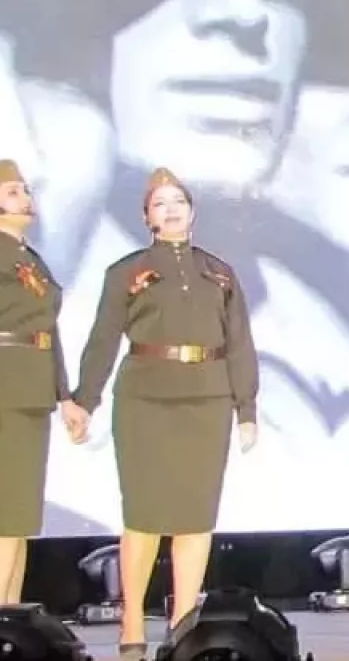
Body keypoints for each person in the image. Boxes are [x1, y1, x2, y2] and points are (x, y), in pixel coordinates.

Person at [74, 168, 260, 658]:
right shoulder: (126, 272)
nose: (171, 209)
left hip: (208, 398)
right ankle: (132, 617)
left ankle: (183, 623)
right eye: (160, 203)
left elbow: (240, 343)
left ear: (192, 212)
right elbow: (102, 340)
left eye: (178, 201)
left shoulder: (219, 273)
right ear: (146, 218)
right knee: (145, 513)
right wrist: (85, 400)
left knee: (196, 516)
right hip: (146, 400)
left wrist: (246, 407)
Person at [0, 160, 91, 609]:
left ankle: (11, 615)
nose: (24, 198)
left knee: (22, 521)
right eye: (11, 192)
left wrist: (64, 396)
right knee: (7, 519)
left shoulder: (29, 258)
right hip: (0, 393)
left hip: (33, 394)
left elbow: (47, 333)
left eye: (25, 189)